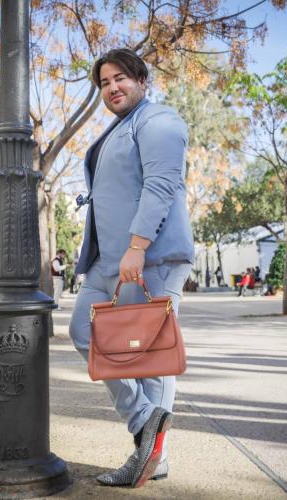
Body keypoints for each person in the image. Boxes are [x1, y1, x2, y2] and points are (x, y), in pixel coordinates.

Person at [68, 48, 194, 488]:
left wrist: (138, 247)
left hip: (149, 259)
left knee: (150, 360)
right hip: (107, 262)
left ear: (142, 79)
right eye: (104, 83)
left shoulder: (158, 120)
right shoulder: (120, 127)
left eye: (120, 77)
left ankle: (153, 457)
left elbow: (161, 185)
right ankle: (146, 424)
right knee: (83, 333)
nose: (112, 87)